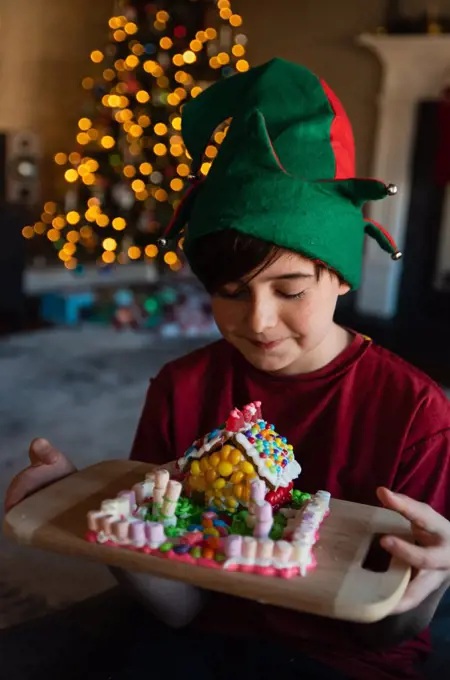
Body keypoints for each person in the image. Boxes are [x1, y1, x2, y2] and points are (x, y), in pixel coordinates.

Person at [4, 58, 450, 680]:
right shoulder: (180, 389)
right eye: (232, 291)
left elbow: (390, 635)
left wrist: (431, 583)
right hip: (203, 640)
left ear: (342, 278)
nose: (259, 321)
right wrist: (103, 516)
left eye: (290, 291)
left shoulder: (417, 412)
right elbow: (178, 610)